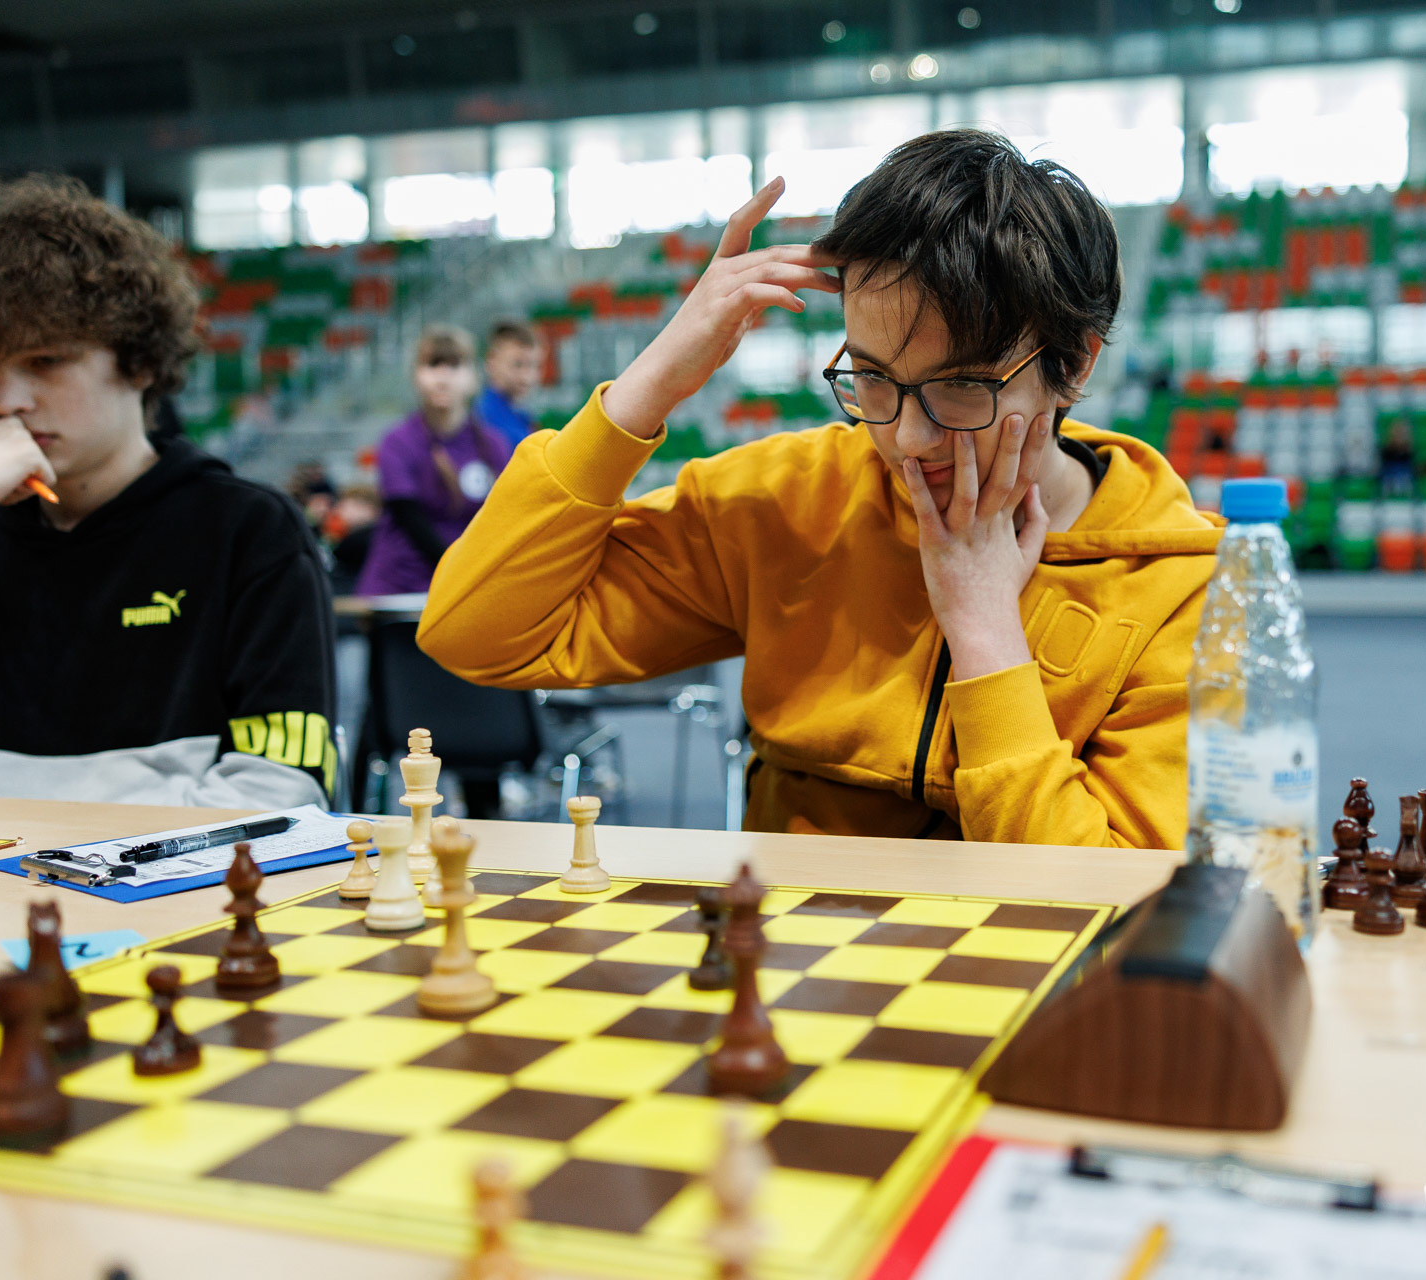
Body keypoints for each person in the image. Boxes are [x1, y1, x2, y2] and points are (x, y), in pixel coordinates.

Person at [419, 130, 1225, 848]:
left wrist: (985, 635)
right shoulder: (789, 498)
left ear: (1074, 363)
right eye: (871, 378)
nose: (907, 439)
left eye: (962, 388)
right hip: (789, 957)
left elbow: (1119, 904)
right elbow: (475, 632)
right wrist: (654, 379)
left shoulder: (1178, 585)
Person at [0, 175, 336, 806]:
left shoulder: (249, 532)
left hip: (169, 873)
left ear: (139, 361)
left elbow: (282, 789)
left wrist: (84, 857)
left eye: (46, 361)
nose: (5, 401)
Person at [357, 325, 514, 597]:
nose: (442, 377)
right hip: (402, 589)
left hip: (469, 586)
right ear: (415, 376)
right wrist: (462, 574)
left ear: (474, 377)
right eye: (432, 364)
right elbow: (412, 522)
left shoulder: (494, 446)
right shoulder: (396, 443)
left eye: (454, 365)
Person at [475, 320, 542, 453]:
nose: (526, 377)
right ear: (492, 361)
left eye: (534, 365)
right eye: (517, 364)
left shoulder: (523, 415)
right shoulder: (482, 419)